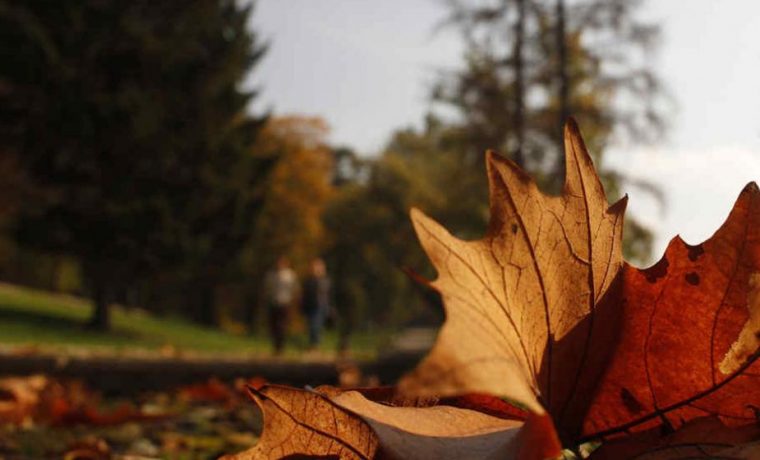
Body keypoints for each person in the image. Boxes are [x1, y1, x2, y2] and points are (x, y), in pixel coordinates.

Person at [263, 256, 298, 354]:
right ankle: (276, 346)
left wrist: (293, 301)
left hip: (285, 303)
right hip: (273, 302)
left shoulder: (290, 275)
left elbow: (295, 289)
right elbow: (267, 289)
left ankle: (281, 346)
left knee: (282, 325)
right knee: (273, 325)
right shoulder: (271, 275)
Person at [301, 258, 331, 349]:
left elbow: (327, 294)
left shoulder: (325, 280)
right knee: (312, 326)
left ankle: (315, 344)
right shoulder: (308, 281)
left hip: (321, 306)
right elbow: (304, 294)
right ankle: (313, 344)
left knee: (316, 325)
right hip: (310, 306)